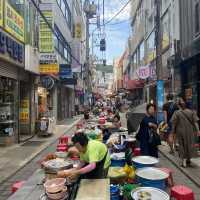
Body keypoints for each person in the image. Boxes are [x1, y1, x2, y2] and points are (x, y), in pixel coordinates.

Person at [171, 97, 200, 167]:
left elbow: (174, 123)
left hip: (180, 131)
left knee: (182, 145)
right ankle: (188, 160)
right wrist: (198, 130)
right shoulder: (191, 112)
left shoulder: (176, 113)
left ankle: (183, 162)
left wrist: (173, 132)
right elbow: (195, 122)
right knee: (189, 145)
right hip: (190, 131)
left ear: (179, 106)